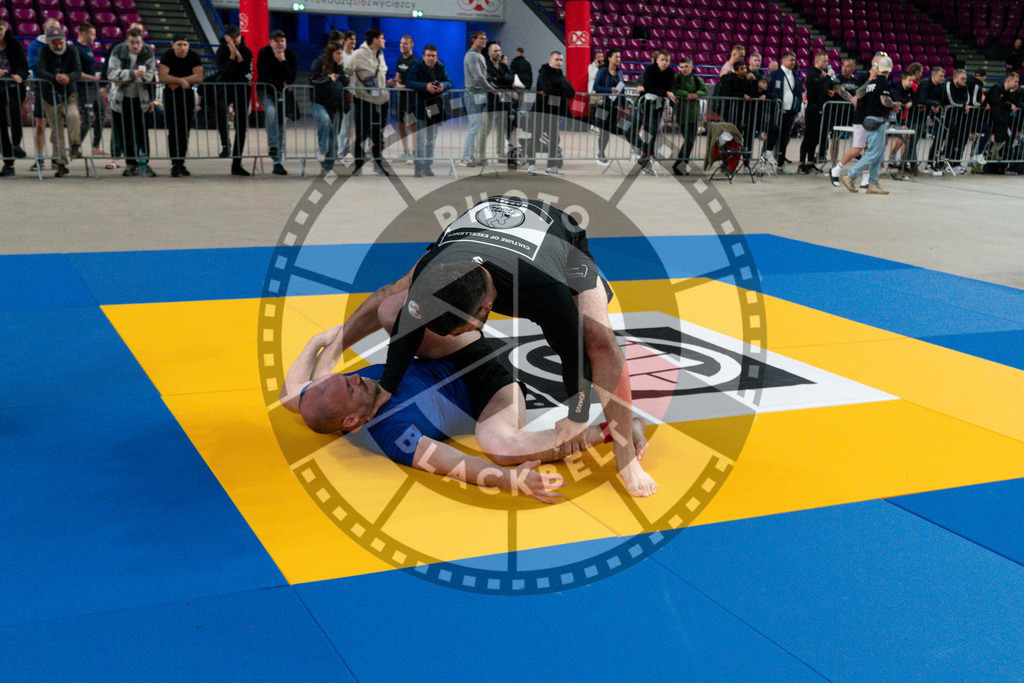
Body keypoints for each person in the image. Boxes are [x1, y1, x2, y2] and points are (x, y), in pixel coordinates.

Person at [338, 195, 658, 497]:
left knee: (598, 339)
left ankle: (626, 455)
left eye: (461, 330)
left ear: (486, 307)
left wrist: (576, 413)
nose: (453, 338)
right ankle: (336, 339)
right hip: (484, 227)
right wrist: (386, 386)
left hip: (559, 240)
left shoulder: (543, 289)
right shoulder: (430, 270)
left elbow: (574, 354)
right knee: (394, 301)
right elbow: (409, 321)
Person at [282, 312, 648, 503]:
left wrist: (315, 343)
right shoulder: (392, 433)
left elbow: (289, 395)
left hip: (455, 348)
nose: (356, 377)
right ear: (351, 419)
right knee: (501, 448)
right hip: (489, 389)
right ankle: (614, 430)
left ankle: (470, 294)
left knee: (395, 314)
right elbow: (453, 464)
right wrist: (510, 479)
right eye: (351, 386)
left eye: (348, 376)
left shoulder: (330, 399)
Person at [839, 55, 899, 195]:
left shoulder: (871, 83)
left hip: (868, 120)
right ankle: (850, 175)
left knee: (877, 155)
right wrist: (894, 105)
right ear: (889, 69)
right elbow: (885, 101)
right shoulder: (884, 83)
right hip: (878, 121)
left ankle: (873, 183)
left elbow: (859, 93)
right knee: (874, 154)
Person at [829, 53, 883, 187]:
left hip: (871, 117)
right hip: (860, 117)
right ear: (874, 64)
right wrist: (869, 80)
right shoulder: (863, 78)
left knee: (868, 149)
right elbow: (858, 94)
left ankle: (865, 178)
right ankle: (836, 169)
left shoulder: (879, 79)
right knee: (857, 148)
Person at [35, 25, 82, 177]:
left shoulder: (72, 50)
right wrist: (54, 78)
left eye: (61, 42)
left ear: (65, 40)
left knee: (73, 115)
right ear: (48, 41)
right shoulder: (44, 51)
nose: (58, 46)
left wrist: (68, 77)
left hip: (69, 93)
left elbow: (78, 71)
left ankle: (75, 144)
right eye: (54, 43)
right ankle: (61, 163)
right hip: (50, 95)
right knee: (57, 130)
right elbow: (40, 70)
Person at [98, 20, 145, 169]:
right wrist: (103, 85)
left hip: (138, 95)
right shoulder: (117, 48)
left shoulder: (145, 50)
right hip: (119, 94)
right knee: (118, 127)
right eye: (134, 30)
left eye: (140, 32)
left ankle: (137, 157)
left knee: (137, 128)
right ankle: (116, 157)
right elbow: (108, 69)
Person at [158, 35, 203, 177]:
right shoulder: (167, 55)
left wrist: (179, 81)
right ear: (173, 46)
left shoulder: (194, 56)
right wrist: (182, 81)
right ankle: (174, 163)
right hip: (171, 95)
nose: (182, 48)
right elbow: (163, 76)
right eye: (179, 45)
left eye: (185, 44)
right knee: (173, 129)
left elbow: (199, 77)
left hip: (187, 94)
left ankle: (181, 162)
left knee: (185, 129)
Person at [348, 28, 389, 176]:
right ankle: (358, 165)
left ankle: (378, 165)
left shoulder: (381, 55)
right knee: (361, 135)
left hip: (381, 102)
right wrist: (354, 88)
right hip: (364, 101)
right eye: (382, 37)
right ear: (375, 40)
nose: (384, 41)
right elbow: (347, 71)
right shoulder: (358, 55)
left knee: (378, 136)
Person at [526, 50, 575, 175]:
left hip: (554, 114)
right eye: (557, 59)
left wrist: (555, 90)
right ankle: (531, 165)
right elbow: (546, 88)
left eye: (561, 60)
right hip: (540, 112)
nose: (559, 62)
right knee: (535, 139)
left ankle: (551, 167)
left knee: (554, 140)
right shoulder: (543, 73)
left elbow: (571, 93)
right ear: (550, 60)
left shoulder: (560, 75)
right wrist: (560, 90)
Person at [405, 43, 451, 177]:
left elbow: (449, 82)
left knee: (431, 138)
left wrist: (443, 86)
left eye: (434, 56)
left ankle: (427, 165)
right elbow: (409, 82)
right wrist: (426, 86)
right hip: (419, 105)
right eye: (429, 55)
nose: (431, 58)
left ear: (437, 57)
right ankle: (418, 166)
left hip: (434, 105)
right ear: (424, 57)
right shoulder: (416, 67)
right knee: (420, 137)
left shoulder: (440, 67)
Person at [257, 28, 298, 175]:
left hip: (282, 95)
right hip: (266, 91)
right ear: (270, 42)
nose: (279, 44)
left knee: (282, 125)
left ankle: (277, 161)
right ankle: (273, 145)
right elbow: (264, 75)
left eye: (282, 41)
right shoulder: (264, 53)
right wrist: (282, 82)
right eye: (276, 41)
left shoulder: (290, 56)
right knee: (271, 112)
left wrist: (282, 62)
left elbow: (292, 77)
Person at [214, 24, 253, 176]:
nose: (236, 38)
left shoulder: (246, 51)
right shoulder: (221, 51)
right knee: (221, 110)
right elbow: (223, 73)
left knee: (241, 126)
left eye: (238, 35)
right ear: (226, 37)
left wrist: (240, 57)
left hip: (242, 90)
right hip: (226, 88)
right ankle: (225, 144)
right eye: (232, 36)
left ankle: (237, 162)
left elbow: (246, 73)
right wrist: (232, 57)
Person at [630, 49, 676, 172]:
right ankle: (647, 151)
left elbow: (663, 87)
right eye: (662, 60)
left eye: (667, 60)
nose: (664, 62)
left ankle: (646, 157)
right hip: (642, 105)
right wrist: (664, 92)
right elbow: (650, 87)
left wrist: (658, 90)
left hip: (657, 107)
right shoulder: (650, 69)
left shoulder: (670, 72)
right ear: (657, 60)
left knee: (652, 133)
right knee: (630, 130)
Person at [308, 41, 349, 176]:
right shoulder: (318, 63)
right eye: (337, 53)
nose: (340, 56)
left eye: (341, 53)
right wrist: (328, 79)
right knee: (325, 121)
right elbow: (313, 81)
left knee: (333, 136)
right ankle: (322, 149)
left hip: (335, 104)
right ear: (331, 54)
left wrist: (337, 74)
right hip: (319, 102)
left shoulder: (339, 66)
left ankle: (327, 166)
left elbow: (346, 80)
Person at [27, 18, 62, 172]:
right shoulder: (35, 46)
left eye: (57, 28)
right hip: (41, 88)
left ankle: (56, 157)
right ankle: (40, 158)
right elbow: (35, 66)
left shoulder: (61, 46)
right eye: (52, 27)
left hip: (58, 89)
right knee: (40, 123)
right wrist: (54, 72)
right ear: (44, 27)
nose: (55, 31)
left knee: (56, 124)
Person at [0, 20, 29, 175]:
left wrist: (20, 76)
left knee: (14, 110)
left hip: (12, 85)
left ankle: (16, 144)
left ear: (5, 29)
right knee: (1, 126)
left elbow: (23, 66)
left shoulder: (14, 44)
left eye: (0, 29)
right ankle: (8, 162)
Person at [766, 51, 803, 168]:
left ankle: (780, 162)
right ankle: (764, 159)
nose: (793, 62)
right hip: (777, 111)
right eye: (791, 60)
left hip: (791, 111)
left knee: (785, 137)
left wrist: (797, 108)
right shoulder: (774, 75)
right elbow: (768, 91)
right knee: (773, 136)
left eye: (794, 60)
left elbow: (798, 93)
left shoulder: (795, 76)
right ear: (784, 60)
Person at [71, 23, 102, 157]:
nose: (95, 37)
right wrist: (94, 78)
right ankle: (75, 147)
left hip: (92, 87)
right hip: (83, 88)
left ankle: (95, 146)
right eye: (92, 34)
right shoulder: (76, 49)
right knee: (88, 118)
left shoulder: (88, 48)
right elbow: (77, 73)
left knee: (101, 113)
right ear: (83, 33)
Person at [671, 56, 707, 174]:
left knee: (690, 141)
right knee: (689, 141)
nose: (684, 69)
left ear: (692, 67)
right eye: (681, 67)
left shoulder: (697, 80)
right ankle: (680, 165)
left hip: (694, 115)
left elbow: (705, 91)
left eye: (686, 67)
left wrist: (697, 94)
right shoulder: (676, 79)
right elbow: (672, 90)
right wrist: (684, 93)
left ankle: (679, 165)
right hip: (681, 115)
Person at [798, 50, 832, 174]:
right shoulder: (812, 73)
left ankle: (810, 162)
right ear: (817, 61)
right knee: (808, 136)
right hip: (812, 108)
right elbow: (816, 88)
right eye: (825, 61)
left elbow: (822, 89)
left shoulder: (820, 74)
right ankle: (801, 163)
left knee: (815, 138)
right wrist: (828, 76)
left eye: (828, 60)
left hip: (818, 109)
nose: (827, 63)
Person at [461, 30, 492, 167]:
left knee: (476, 126)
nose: (484, 40)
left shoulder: (479, 55)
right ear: (474, 39)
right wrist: (491, 89)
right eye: (481, 38)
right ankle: (466, 157)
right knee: (474, 126)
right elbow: (478, 77)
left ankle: (471, 156)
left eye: (485, 38)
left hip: (479, 93)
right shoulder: (472, 55)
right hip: (473, 93)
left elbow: (482, 77)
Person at [591, 47, 626, 166]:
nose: (618, 59)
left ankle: (601, 152)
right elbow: (596, 87)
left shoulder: (620, 72)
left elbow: (622, 89)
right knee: (603, 130)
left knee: (608, 130)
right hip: (603, 105)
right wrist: (609, 89)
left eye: (619, 57)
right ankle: (601, 153)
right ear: (610, 58)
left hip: (614, 106)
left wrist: (624, 104)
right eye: (616, 57)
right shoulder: (602, 71)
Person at [482, 41, 513, 166]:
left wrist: (499, 79)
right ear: (489, 53)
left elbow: (510, 79)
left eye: (499, 50)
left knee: (501, 130)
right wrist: (502, 81)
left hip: (502, 103)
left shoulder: (504, 67)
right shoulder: (486, 66)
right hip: (490, 102)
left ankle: (501, 154)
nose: (498, 53)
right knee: (485, 130)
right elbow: (489, 80)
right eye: (495, 51)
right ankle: (481, 155)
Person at [391, 35, 417, 162]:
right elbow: (398, 76)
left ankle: (414, 153)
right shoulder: (399, 60)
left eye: (405, 44)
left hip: (411, 98)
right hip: (401, 98)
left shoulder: (415, 62)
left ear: (411, 46)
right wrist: (393, 81)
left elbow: (415, 82)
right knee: (400, 124)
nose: (402, 45)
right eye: (401, 43)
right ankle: (405, 151)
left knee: (412, 125)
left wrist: (403, 85)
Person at [984, 71, 1020, 158]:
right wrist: (1008, 105)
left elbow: (1012, 103)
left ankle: (992, 152)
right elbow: (994, 102)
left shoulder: (1007, 92)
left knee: (1006, 136)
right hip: (988, 119)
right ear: (1009, 81)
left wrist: (1013, 92)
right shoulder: (997, 88)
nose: (1017, 84)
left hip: (999, 121)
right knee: (986, 139)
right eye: (1015, 81)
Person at [916, 66, 946, 173]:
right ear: (933, 76)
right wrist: (935, 103)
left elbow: (941, 99)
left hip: (935, 112)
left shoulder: (942, 85)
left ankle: (931, 160)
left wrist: (937, 105)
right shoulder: (925, 84)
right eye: (940, 76)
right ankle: (909, 161)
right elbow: (922, 99)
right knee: (915, 136)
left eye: (943, 76)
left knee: (940, 135)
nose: (943, 78)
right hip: (920, 113)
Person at [940, 69, 970, 168]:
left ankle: (955, 161)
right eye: (962, 79)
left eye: (965, 79)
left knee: (961, 136)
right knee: (946, 135)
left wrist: (963, 104)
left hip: (959, 116)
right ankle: (942, 157)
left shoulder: (964, 87)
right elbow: (951, 99)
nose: (964, 81)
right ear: (955, 78)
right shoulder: (948, 84)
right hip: (946, 115)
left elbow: (966, 100)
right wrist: (962, 105)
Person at [336, 30, 357, 159]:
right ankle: (340, 153)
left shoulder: (356, 56)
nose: (353, 42)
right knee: (344, 126)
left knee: (351, 126)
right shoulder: (341, 56)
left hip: (356, 94)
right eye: (351, 39)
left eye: (354, 39)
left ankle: (348, 150)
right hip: (343, 95)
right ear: (344, 41)